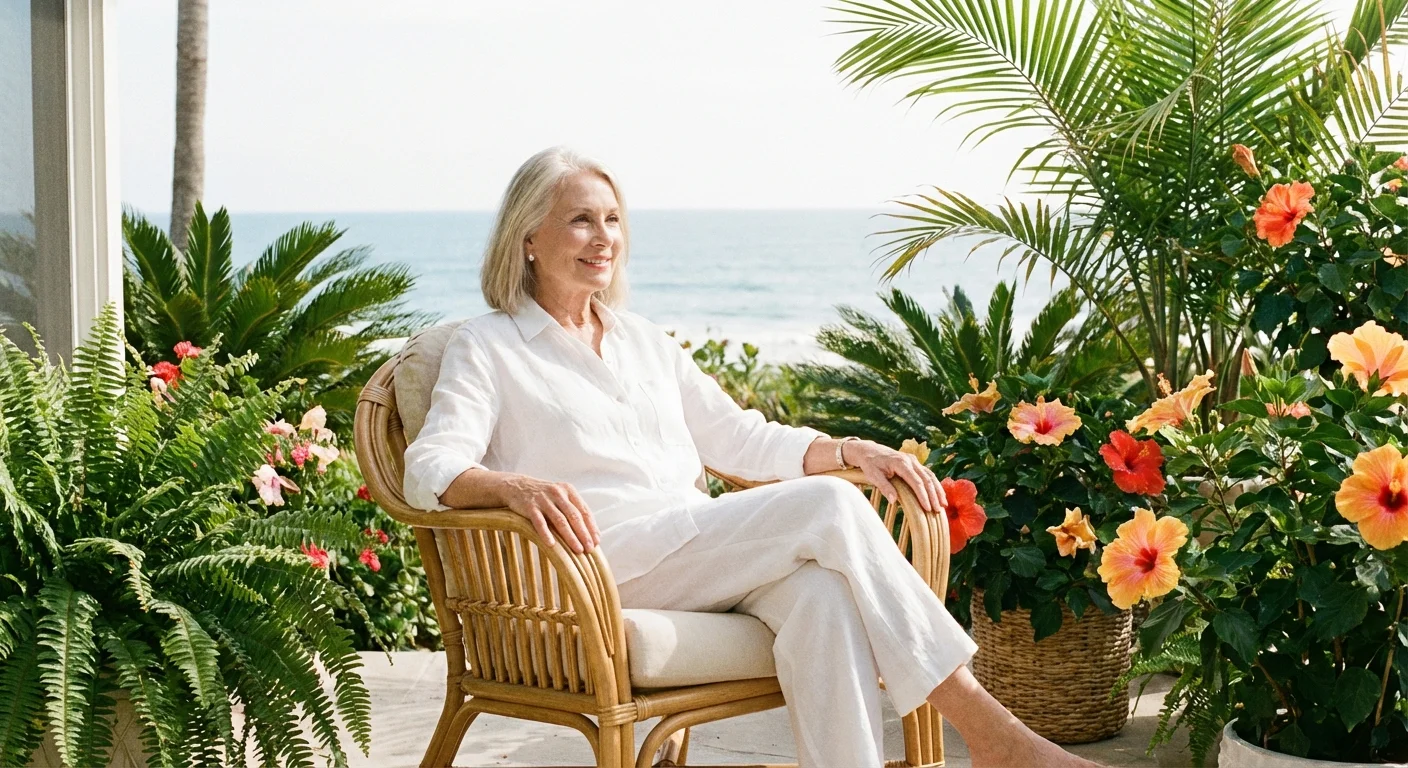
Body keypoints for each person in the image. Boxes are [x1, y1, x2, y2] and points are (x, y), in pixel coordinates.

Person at [403, 146, 1103, 768]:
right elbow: (429, 466)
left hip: (693, 549)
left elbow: (743, 438)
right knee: (831, 503)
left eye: (613, 220)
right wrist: (509, 486)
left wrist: (847, 447)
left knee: (822, 597)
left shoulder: (640, 340)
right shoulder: (488, 347)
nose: (604, 238)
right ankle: (994, 734)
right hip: (596, 565)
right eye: (581, 219)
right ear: (528, 236)